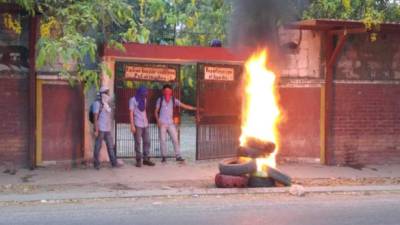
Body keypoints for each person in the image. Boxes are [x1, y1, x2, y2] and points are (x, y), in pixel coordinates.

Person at [154, 84, 197, 162]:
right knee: (162, 140)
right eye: (166, 91)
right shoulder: (159, 100)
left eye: (169, 91)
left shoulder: (174, 100)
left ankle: (178, 156)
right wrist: (158, 120)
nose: (167, 92)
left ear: (171, 92)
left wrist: (194, 108)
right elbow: (156, 111)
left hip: (170, 123)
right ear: (163, 91)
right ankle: (164, 157)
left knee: (175, 139)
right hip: (162, 123)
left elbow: (184, 105)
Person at [93, 86, 120, 170]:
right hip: (100, 128)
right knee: (98, 146)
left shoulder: (107, 104)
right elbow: (95, 117)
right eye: (106, 93)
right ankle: (96, 164)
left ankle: (114, 163)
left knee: (110, 146)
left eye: (108, 92)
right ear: (102, 94)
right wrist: (96, 129)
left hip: (107, 129)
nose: (108, 94)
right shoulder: (97, 103)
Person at [129, 85, 155, 167]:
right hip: (137, 124)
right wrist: (132, 125)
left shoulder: (144, 99)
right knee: (138, 142)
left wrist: (147, 121)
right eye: (144, 92)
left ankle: (146, 159)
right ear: (140, 92)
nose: (145, 94)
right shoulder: (132, 100)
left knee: (147, 141)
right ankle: (138, 160)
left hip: (145, 124)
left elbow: (144, 112)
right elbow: (131, 113)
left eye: (146, 92)